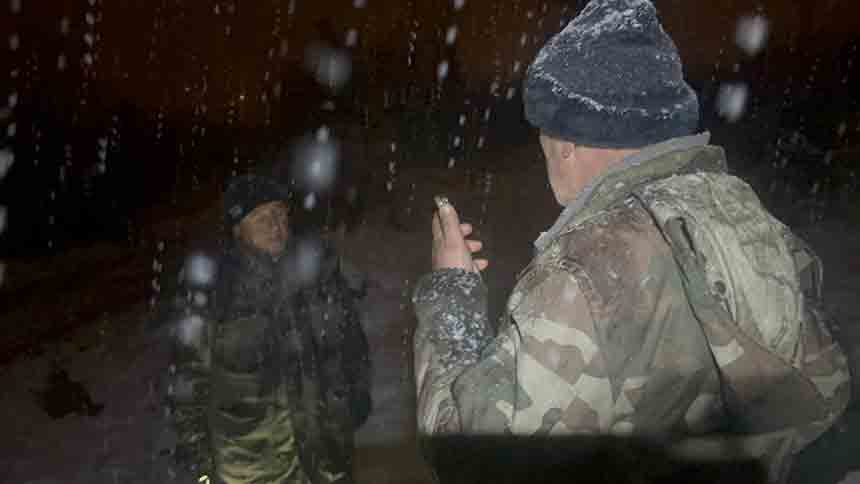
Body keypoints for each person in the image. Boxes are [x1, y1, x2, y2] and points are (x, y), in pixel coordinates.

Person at [411, 1, 852, 483]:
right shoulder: (745, 219)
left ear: (567, 142)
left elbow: (473, 457)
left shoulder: (583, 273)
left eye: (543, 137)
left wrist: (452, 294)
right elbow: (820, 397)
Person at [169, 174, 372, 484]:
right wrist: (199, 460)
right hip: (253, 466)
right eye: (261, 218)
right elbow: (189, 382)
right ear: (237, 229)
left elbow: (350, 341)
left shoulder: (318, 273)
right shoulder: (213, 294)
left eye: (279, 213)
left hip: (326, 457)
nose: (275, 225)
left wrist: (356, 394)